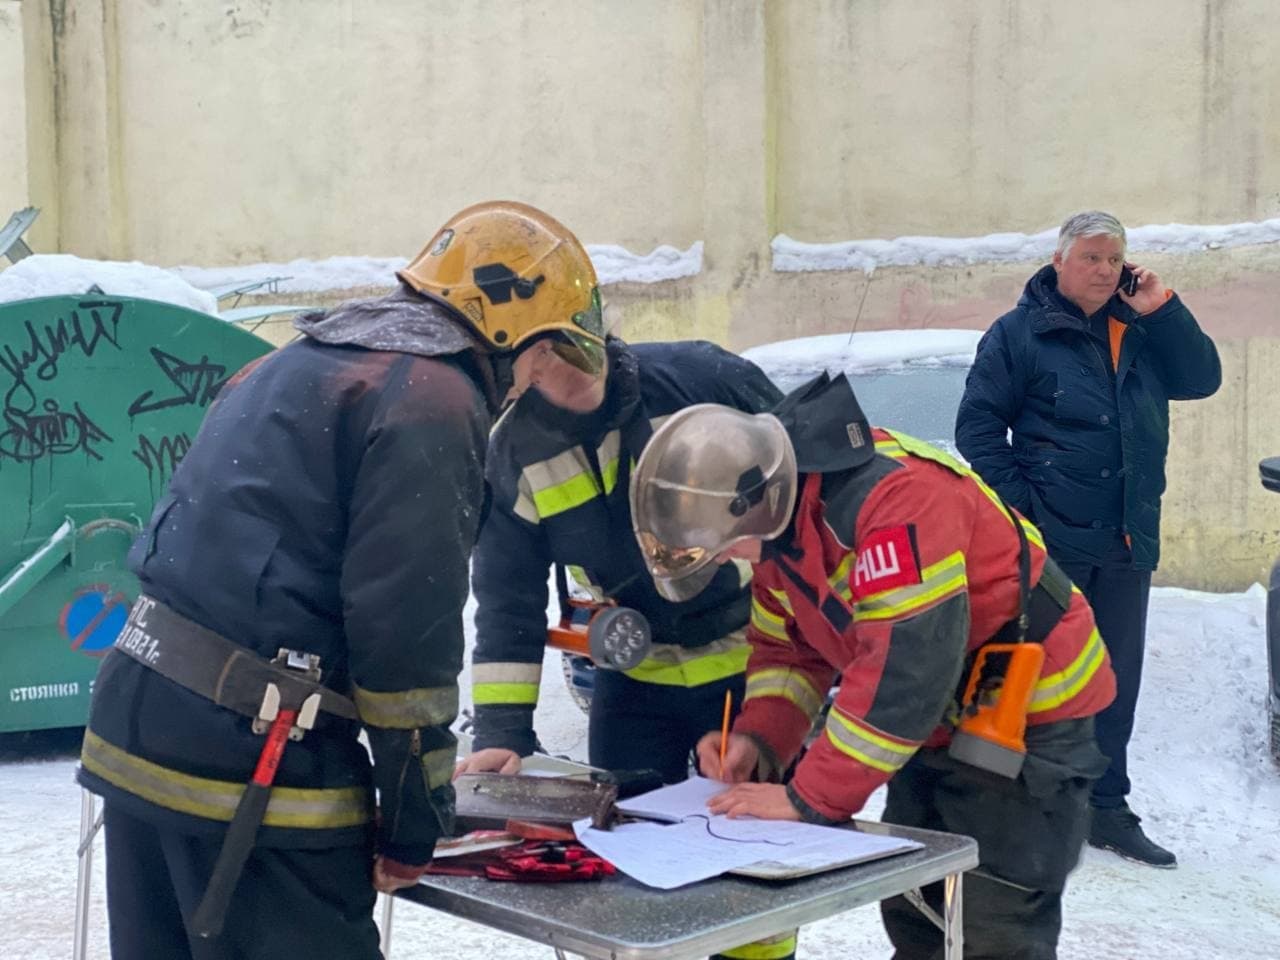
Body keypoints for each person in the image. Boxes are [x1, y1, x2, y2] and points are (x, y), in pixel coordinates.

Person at [76, 201, 607, 959]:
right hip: (252, 766)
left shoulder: (301, 358)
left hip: (140, 725)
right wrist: (414, 819)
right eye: (540, 354)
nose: (531, 380)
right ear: (506, 330)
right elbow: (405, 641)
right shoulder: (435, 398)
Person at [629, 373, 1117, 959]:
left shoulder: (896, 501)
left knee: (994, 921)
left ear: (752, 500)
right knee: (918, 909)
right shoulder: (781, 534)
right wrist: (760, 741)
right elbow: (790, 655)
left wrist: (807, 799)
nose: (730, 558)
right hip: (942, 721)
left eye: (726, 544)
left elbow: (905, 670)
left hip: (1031, 717)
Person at [452, 298, 787, 960]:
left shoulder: (702, 378)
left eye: (571, 348)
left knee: (758, 877)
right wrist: (503, 736)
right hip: (635, 685)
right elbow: (507, 602)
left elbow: (804, 498)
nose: (561, 368)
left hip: (748, 672)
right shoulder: (515, 452)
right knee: (627, 877)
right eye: (539, 356)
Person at [955, 210, 1221, 868]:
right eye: (1092, 258)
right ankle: (979, 799)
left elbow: (1202, 378)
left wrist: (1163, 307)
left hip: (1126, 539)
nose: (1105, 270)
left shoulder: (1141, 329)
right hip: (1046, 544)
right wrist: (1026, 516)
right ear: (1059, 262)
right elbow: (978, 430)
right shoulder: (1019, 335)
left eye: (1115, 259)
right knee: (1010, 665)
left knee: (1113, 681)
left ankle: (1105, 808)